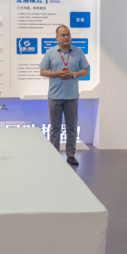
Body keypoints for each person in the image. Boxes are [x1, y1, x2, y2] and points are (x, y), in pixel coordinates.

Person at [39, 25, 89, 166]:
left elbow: (85, 71)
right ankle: (54, 155)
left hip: (72, 96)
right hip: (54, 95)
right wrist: (57, 73)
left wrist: (73, 74)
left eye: (68, 34)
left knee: (71, 127)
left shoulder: (78, 52)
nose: (66, 37)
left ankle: (71, 155)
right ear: (57, 37)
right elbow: (42, 71)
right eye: (63, 35)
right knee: (54, 127)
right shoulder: (50, 52)